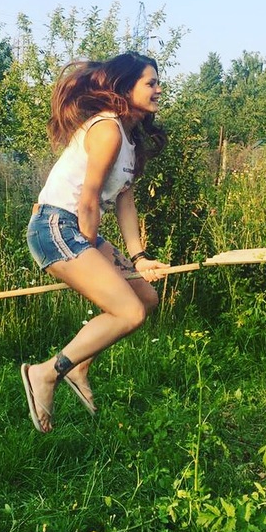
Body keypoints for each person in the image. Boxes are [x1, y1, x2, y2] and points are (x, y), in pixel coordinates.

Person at [21, 52, 170, 433]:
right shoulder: (106, 129)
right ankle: (45, 373)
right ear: (126, 86)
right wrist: (90, 253)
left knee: (145, 299)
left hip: (78, 228)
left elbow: (124, 200)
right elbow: (88, 200)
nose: (158, 89)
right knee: (129, 312)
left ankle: (79, 364)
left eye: (158, 82)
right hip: (56, 226)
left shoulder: (129, 138)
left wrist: (139, 258)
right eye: (150, 83)